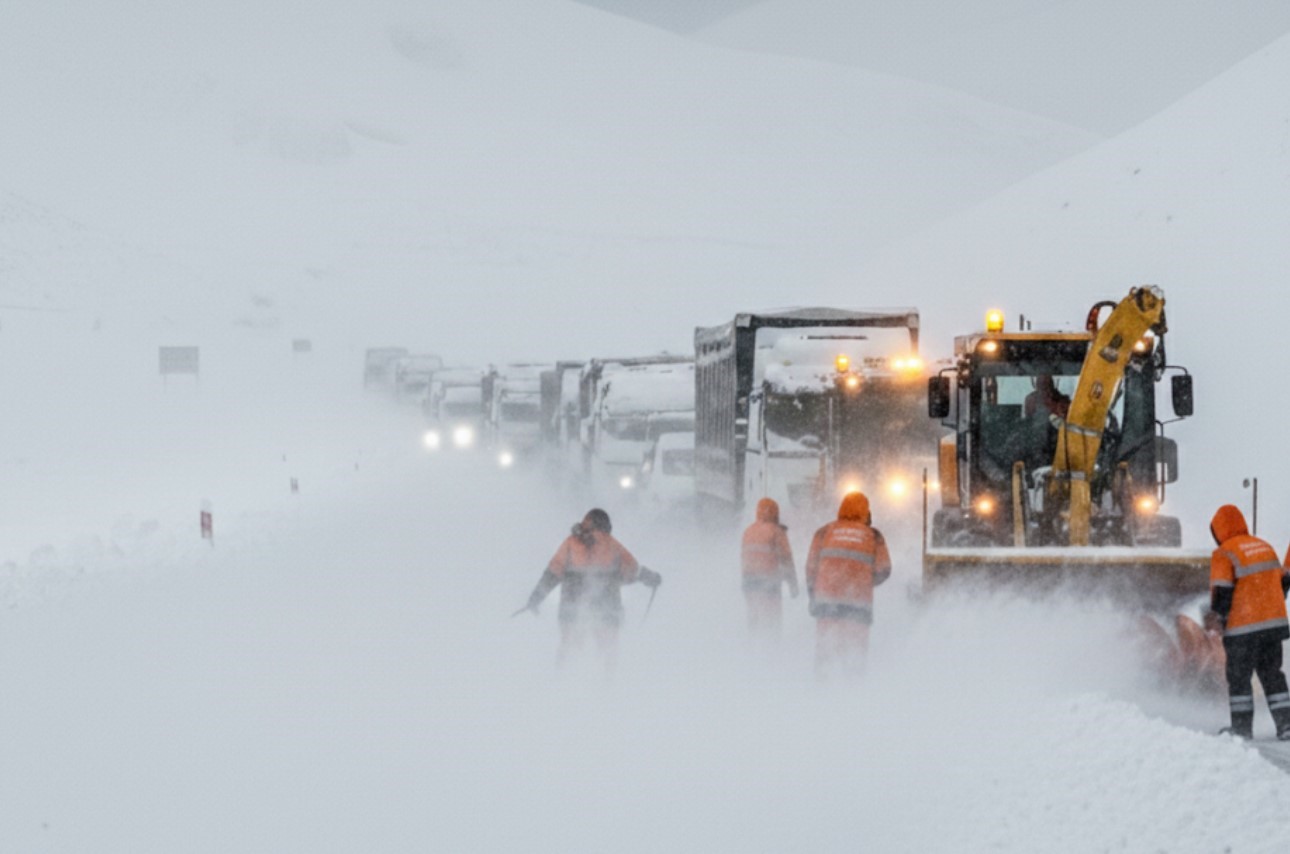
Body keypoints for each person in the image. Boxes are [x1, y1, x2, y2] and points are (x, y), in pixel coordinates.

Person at [519, 508, 661, 666]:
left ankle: (561, 682)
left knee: (570, 649)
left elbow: (553, 572)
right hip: (607, 607)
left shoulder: (571, 543)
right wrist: (651, 577)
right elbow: (632, 570)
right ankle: (607, 685)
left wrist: (535, 598)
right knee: (607, 651)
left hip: (572, 607)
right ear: (606, 525)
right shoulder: (611, 544)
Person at [1205, 504, 1290, 740]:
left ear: (1219, 530)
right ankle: (1286, 726)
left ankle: (1242, 730)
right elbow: (1281, 583)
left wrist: (1219, 620)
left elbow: (1222, 591)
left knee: (1239, 679)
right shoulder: (1265, 547)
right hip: (1273, 626)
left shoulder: (1224, 553)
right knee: (1273, 675)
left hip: (1243, 629)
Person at [805, 491, 891, 677]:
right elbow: (884, 570)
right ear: (866, 512)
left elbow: (811, 569)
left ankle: (819, 696)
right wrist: (864, 581)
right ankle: (852, 699)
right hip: (858, 607)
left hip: (827, 605)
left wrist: (813, 597)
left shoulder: (824, 532)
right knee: (855, 658)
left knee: (825, 656)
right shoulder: (873, 536)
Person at [740, 497, 798, 638]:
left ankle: (750, 648)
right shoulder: (776, 531)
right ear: (775, 512)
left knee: (754, 617)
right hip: (769, 583)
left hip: (749, 582)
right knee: (772, 620)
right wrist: (793, 585)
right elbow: (786, 559)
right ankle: (771, 651)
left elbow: (743, 558)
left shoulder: (748, 531)